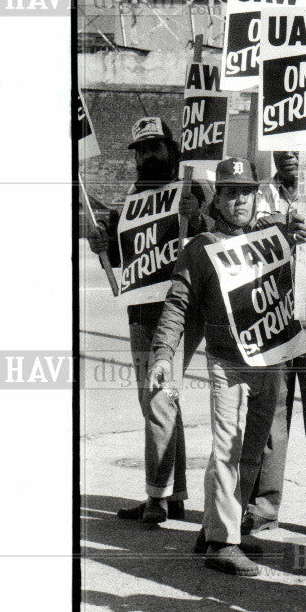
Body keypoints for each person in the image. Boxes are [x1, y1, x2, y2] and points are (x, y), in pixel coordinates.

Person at [150, 157, 306, 576]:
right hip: (227, 363)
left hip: (270, 359)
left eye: (246, 192)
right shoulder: (200, 248)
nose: (239, 200)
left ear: (256, 196)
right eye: (231, 192)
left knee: (253, 450)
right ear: (217, 198)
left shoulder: (273, 235)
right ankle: (222, 542)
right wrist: (165, 354)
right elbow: (178, 305)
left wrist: (301, 235)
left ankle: (220, 526)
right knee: (227, 449)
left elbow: (305, 249)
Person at [87, 116, 207, 523]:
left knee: (157, 397)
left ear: (172, 151)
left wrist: (199, 216)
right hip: (142, 312)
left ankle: (157, 497)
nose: (147, 156)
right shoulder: (133, 201)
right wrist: (101, 243)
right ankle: (175, 493)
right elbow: (120, 259)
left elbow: (213, 239)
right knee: (162, 399)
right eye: (141, 149)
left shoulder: (190, 193)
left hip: (180, 311)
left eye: (155, 147)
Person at [242, 150, 306, 544]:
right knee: (270, 412)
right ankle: (262, 508)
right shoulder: (259, 194)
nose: (290, 154)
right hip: (272, 308)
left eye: (298, 148)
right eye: (283, 147)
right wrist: (278, 225)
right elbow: (239, 228)